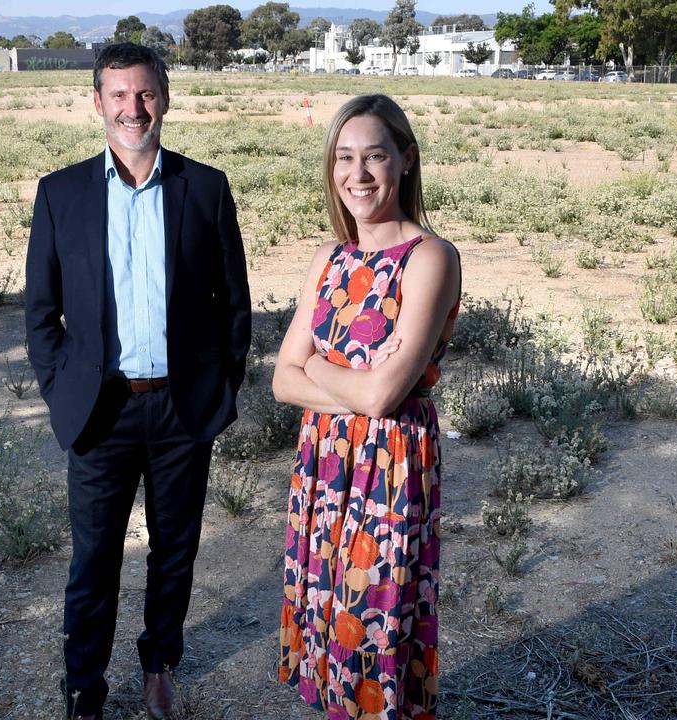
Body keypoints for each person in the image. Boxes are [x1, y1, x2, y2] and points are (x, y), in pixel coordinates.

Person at [24, 43, 251, 720]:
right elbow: (40, 311)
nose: (133, 109)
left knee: (174, 553)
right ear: (97, 102)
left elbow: (233, 306)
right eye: (119, 95)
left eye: (145, 94)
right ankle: (83, 691)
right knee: (93, 562)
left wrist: (220, 387)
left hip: (182, 411)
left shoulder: (204, 188)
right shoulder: (60, 193)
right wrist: (60, 387)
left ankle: (159, 669)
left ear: (166, 99)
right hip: (102, 413)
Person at [272, 94, 461, 720]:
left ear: (406, 159)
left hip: (390, 468)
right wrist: (347, 381)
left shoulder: (430, 258)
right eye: (344, 158)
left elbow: (385, 396)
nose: (357, 174)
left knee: (376, 622)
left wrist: (318, 368)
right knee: (327, 612)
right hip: (322, 466)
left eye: (374, 156)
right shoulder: (329, 258)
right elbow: (280, 380)